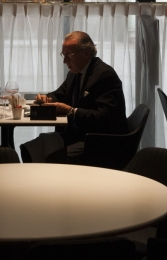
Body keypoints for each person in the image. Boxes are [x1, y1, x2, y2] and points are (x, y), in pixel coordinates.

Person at [21, 31, 128, 164]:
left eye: (69, 55)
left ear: (86, 53)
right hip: (78, 135)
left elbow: (104, 117)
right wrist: (46, 98)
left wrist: (70, 111)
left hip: (100, 143)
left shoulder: (104, 75)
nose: (65, 61)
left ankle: (55, 184)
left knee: (51, 156)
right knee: (29, 149)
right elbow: (59, 94)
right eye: (63, 55)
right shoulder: (76, 72)